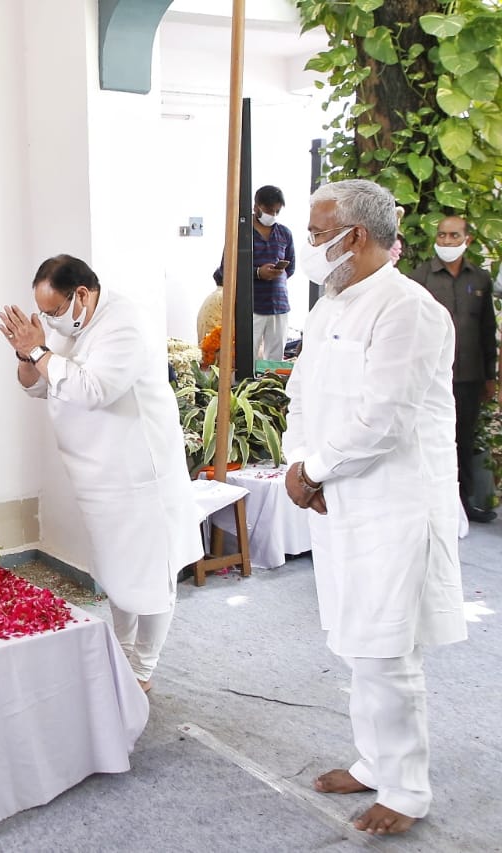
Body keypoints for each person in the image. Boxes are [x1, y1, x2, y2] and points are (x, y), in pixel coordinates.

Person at [283, 179, 466, 836]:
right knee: (356, 642)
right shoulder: (331, 305)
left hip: (394, 507)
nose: (307, 244)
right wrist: (297, 462)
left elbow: (383, 419)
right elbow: (302, 394)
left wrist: (314, 469)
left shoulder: (406, 309)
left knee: (388, 650)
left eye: (314, 232)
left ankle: (408, 790)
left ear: (351, 236)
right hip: (337, 502)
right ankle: (372, 759)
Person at [0, 254, 201, 695]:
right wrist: (25, 352)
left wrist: (38, 349)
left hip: (138, 474)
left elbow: (93, 389)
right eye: (45, 313)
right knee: (117, 574)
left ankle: (143, 671)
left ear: (83, 295)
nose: (49, 321)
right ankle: (122, 654)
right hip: (97, 476)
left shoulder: (124, 324)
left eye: (53, 311)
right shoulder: (66, 324)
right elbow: (38, 383)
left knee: (150, 578)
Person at [408, 215, 498, 523]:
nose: (446, 241)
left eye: (453, 236)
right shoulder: (420, 278)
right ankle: (429, 505)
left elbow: (488, 329)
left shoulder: (480, 280)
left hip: (469, 377)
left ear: (467, 240)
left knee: (463, 439)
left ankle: (464, 504)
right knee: (432, 439)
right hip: (431, 378)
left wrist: (490, 376)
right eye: (442, 236)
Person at [213, 185, 295, 361]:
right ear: (256, 206)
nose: (272, 215)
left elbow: (291, 267)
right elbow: (225, 270)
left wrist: (276, 273)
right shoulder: (239, 233)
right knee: (246, 359)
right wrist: (258, 273)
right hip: (251, 307)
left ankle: (271, 388)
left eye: (277, 211)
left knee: (275, 360)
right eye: (269, 210)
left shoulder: (284, 234)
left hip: (279, 306)